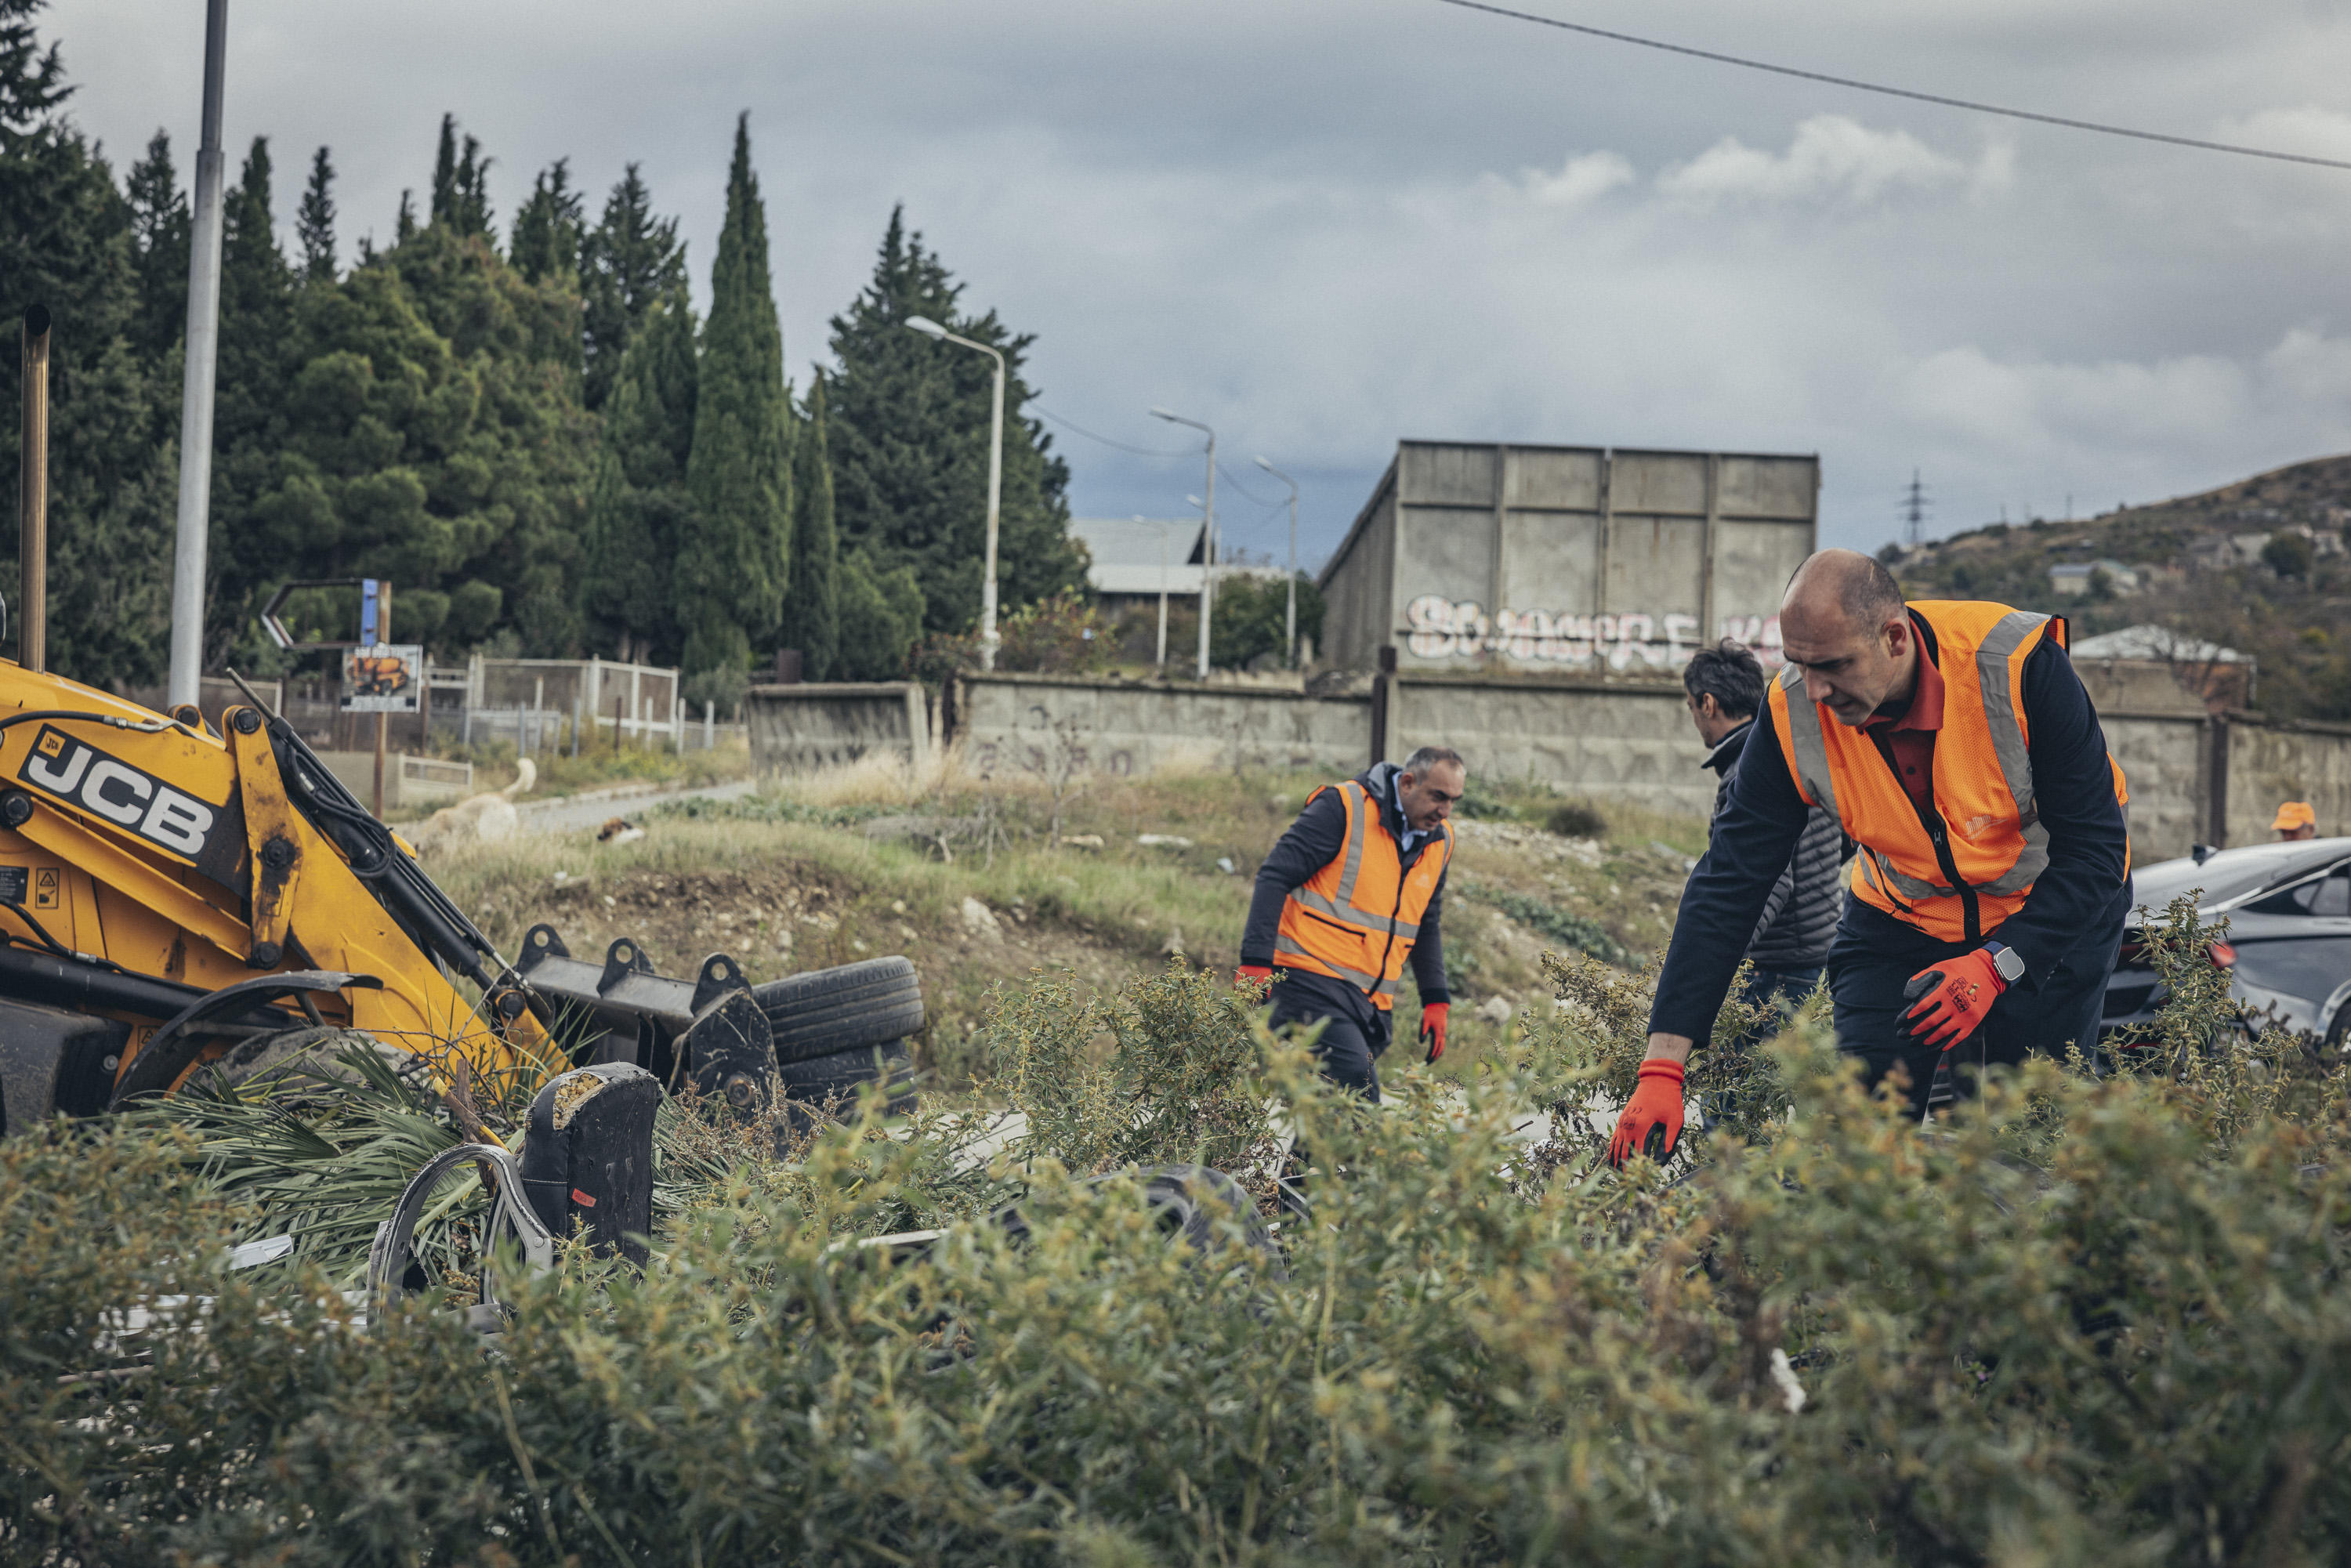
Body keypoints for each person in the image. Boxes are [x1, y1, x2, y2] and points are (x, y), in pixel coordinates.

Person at [1610, 550, 2131, 1165]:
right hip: (1900, 921)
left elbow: (2097, 849)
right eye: (1801, 665)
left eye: (1833, 666)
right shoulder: (1793, 710)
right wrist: (1663, 1066)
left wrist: (1996, 966)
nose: (1818, 691)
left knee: (2032, 1143)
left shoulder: (2017, 667)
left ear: (1895, 638)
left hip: (2047, 918)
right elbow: (1730, 880)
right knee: (1856, 1140)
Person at [1237, 746, 1462, 1101]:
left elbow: (1426, 922)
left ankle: (1303, 1160)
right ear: (1407, 783)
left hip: (1370, 1003)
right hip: (1306, 982)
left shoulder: (1440, 840)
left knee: (1331, 1115)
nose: (1445, 811)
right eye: (1438, 797)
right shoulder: (1343, 807)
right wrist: (1255, 962)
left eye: (1453, 800)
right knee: (1358, 1099)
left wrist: (1436, 999)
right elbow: (1274, 875)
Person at [1682, 639, 1844, 1016]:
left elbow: (1765, 881)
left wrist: (1717, 964)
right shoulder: (1797, 750)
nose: (1694, 718)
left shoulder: (1745, 776)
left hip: (1781, 971)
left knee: (1747, 1074)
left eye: (1691, 707)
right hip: (1823, 953)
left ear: (1708, 704)